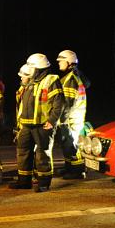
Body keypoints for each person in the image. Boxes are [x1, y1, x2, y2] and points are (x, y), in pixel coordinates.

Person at [10, 53, 65, 193]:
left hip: (42, 125)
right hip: (26, 125)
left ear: (38, 68)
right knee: (23, 153)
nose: (29, 70)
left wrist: (52, 121)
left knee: (43, 154)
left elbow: (59, 104)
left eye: (31, 67)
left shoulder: (51, 80)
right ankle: (24, 182)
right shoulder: (31, 82)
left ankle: (44, 183)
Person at [55, 50, 90, 179]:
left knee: (72, 145)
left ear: (69, 62)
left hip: (72, 119)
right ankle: (69, 167)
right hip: (71, 118)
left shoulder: (70, 79)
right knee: (67, 144)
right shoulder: (70, 77)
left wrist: (61, 118)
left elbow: (68, 103)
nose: (58, 63)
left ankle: (77, 171)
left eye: (61, 61)